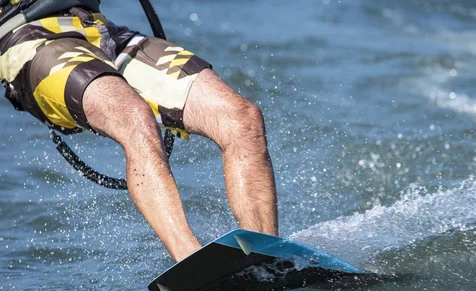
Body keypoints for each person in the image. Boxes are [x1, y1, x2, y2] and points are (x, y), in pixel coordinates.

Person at [0, 0, 279, 262]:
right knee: (135, 117)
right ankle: (193, 263)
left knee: (241, 119)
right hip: (28, 40)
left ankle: (265, 257)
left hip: (98, 29)